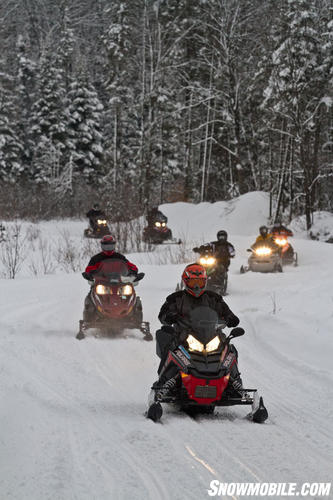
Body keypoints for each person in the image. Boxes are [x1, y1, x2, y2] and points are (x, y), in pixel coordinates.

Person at [154, 263, 244, 395]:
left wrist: (231, 318)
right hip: (184, 337)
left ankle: (234, 382)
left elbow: (226, 311)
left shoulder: (213, 298)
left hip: (211, 336)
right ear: (186, 281)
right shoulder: (176, 298)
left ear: (205, 282)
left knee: (229, 350)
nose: (197, 286)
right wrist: (169, 316)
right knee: (170, 347)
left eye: (200, 282)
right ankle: (164, 382)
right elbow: (162, 315)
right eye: (193, 282)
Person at [81, 235, 139, 323]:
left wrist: (134, 272)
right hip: (102, 282)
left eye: (110, 246)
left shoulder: (119, 257)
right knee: (90, 297)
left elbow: (129, 266)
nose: (108, 248)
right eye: (106, 246)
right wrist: (90, 274)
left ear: (114, 246)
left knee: (130, 296)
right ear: (102, 246)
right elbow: (88, 269)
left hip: (119, 283)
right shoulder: (96, 258)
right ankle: (89, 318)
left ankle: (134, 318)